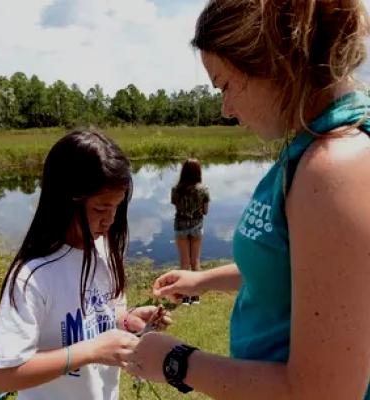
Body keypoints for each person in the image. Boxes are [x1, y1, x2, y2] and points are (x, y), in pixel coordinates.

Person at [124, 1, 370, 399]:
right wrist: (202, 280)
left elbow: (324, 393)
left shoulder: (333, 167)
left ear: (274, 62)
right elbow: (297, 272)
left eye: (224, 85)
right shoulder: (309, 148)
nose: (226, 109)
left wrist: (176, 361)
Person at [0, 129, 170, 400]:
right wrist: (91, 351)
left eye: (116, 208)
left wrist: (128, 320)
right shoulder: (32, 277)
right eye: (99, 209)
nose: (110, 221)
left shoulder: (105, 249)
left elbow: (101, 315)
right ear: (64, 201)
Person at [171, 158, 210, 305]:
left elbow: (177, 206)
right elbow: (205, 211)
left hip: (181, 226)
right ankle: (195, 297)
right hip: (197, 226)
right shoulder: (203, 190)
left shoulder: (176, 189)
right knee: (195, 262)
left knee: (184, 263)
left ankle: (185, 297)